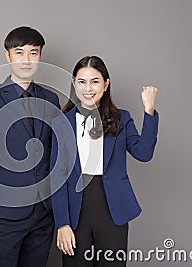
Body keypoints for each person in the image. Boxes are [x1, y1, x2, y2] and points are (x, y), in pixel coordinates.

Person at [0, 26, 60, 267]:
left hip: (45, 210)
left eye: (33, 53)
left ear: (40, 56)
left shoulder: (51, 99)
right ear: (8, 56)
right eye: (19, 52)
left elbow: (58, 154)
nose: (26, 60)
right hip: (8, 210)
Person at [50, 56, 159, 266]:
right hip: (75, 210)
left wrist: (149, 111)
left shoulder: (122, 119)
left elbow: (144, 153)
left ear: (106, 84)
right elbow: (58, 177)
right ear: (74, 83)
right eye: (81, 81)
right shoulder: (61, 123)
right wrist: (62, 224)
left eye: (95, 81)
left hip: (113, 208)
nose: (88, 88)